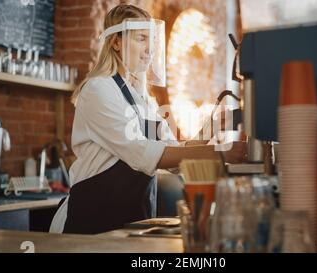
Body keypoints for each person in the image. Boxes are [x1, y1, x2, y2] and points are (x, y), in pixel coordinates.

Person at [49, 4, 246, 234]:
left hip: (130, 225)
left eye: (152, 40)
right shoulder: (98, 90)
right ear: (117, 42)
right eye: (142, 38)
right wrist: (220, 152)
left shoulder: (144, 100)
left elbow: (172, 153)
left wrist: (210, 129)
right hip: (89, 223)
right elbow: (144, 154)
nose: (150, 49)